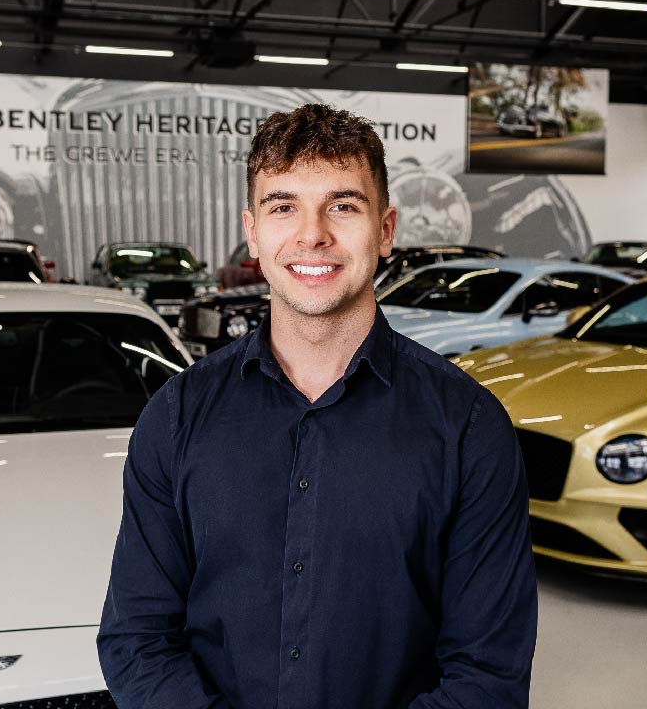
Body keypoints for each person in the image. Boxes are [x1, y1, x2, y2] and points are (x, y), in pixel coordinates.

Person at [97, 103, 537, 708]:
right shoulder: (175, 418)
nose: (312, 235)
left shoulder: (469, 427)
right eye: (284, 207)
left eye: (343, 206)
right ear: (253, 232)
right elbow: (137, 640)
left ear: (385, 230)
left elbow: (487, 675)